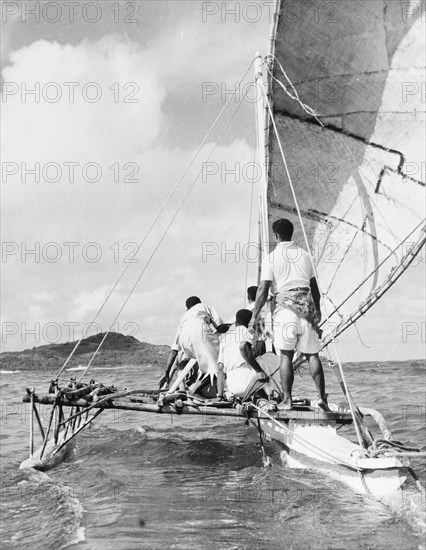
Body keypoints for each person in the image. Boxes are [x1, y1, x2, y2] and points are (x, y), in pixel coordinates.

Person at [249, 218, 329, 411]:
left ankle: (287, 400)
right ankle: (322, 398)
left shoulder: (271, 258)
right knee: (313, 356)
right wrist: (317, 311)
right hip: (307, 311)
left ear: (276, 236)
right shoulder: (306, 256)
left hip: (285, 312)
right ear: (291, 233)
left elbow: (263, 289)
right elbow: (315, 288)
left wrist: (254, 316)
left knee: (286, 357)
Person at [159, 296, 229, 389]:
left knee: (206, 366)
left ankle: (201, 388)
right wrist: (231, 325)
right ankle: (197, 391)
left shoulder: (183, 317)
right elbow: (220, 327)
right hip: (200, 333)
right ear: (199, 303)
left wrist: (166, 373)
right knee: (219, 363)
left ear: (187, 308)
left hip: (185, 344)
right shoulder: (203, 306)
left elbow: (174, 351)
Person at [217, 309, 268, 399]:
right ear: (250, 322)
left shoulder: (225, 338)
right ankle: (280, 396)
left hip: (232, 385)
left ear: (236, 323)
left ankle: (260, 396)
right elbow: (243, 347)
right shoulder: (250, 333)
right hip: (247, 382)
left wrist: (220, 396)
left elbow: (220, 368)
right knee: (269, 358)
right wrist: (259, 371)